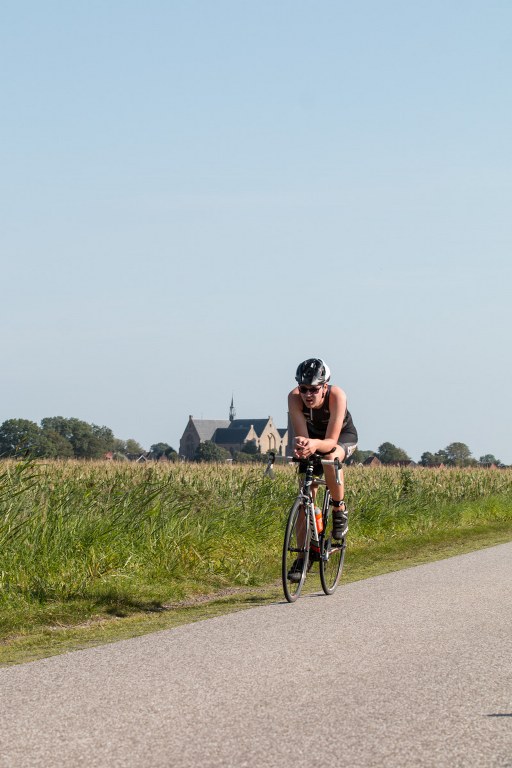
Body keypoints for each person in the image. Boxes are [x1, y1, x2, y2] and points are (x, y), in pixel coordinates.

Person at [287, 358, 358, 580]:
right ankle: (303, 557)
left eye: (314, 389)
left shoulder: (337, 395)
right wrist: (302, 446)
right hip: (313, 439)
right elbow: (302, 435)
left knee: (329, 457)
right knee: (305, 498)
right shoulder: (294, 398)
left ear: (324, 387)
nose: (308, 394)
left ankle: (339, 508)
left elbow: (330, 441)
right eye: (303, 389)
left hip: (340, 438)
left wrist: (314, 445)